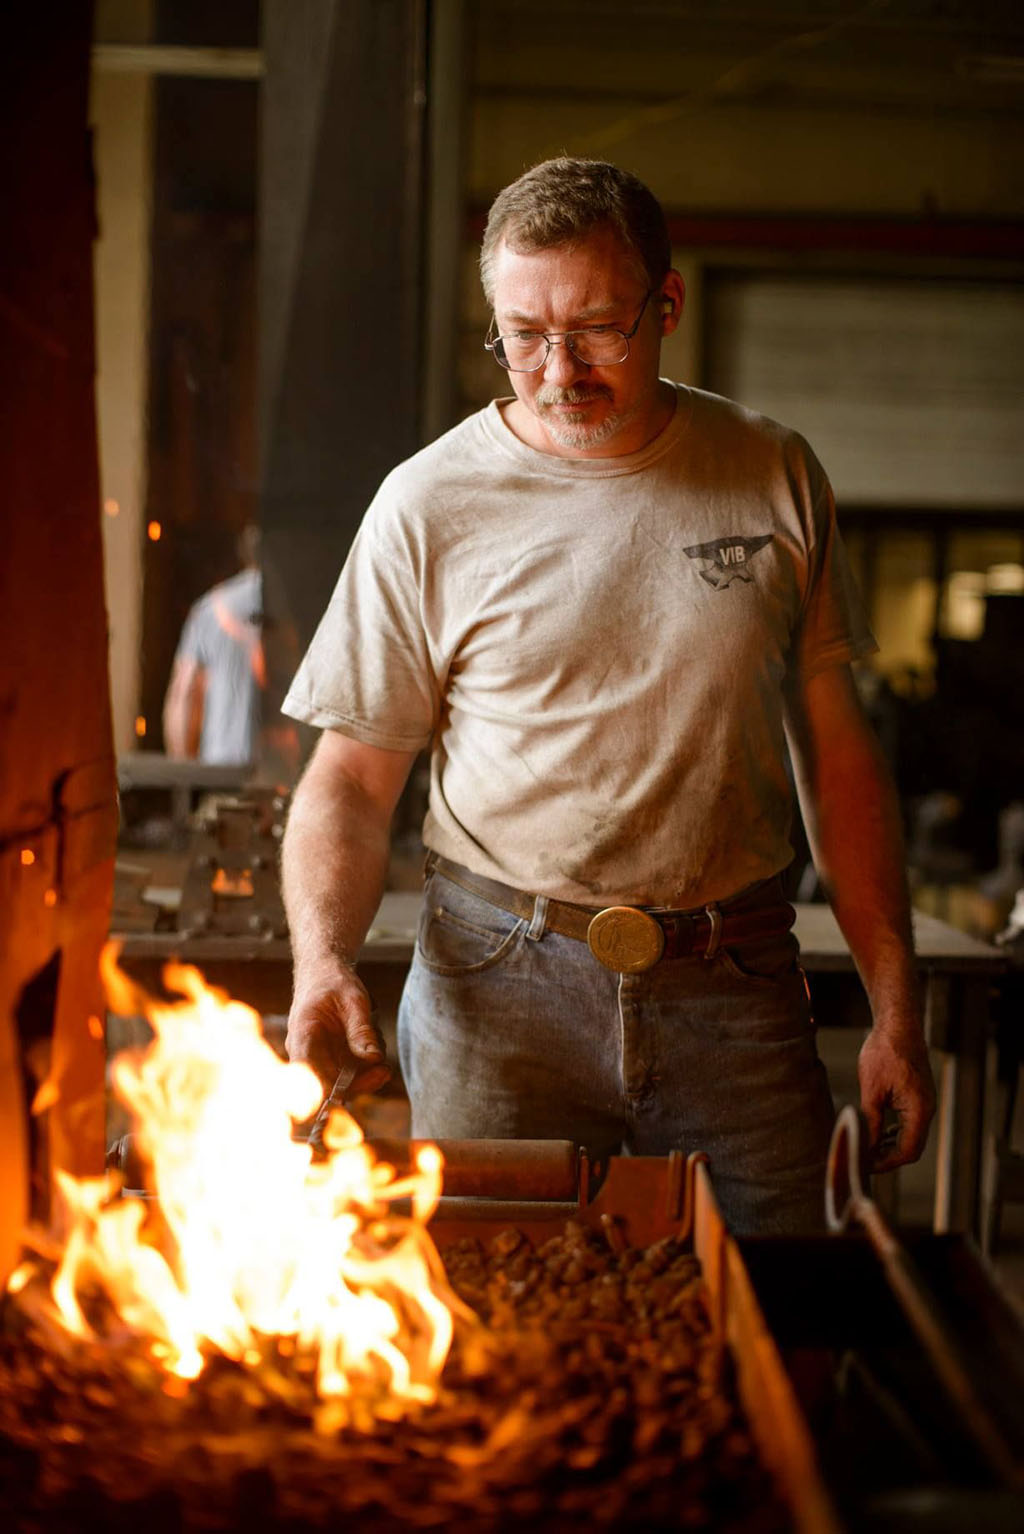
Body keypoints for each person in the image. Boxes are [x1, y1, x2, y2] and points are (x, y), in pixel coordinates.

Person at [280, 158, 935, 1234]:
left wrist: (895, 1012)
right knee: (497, 1323)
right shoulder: (427, 503)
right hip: (497, 988)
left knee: (780, 1314)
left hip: (735, 980)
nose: (557, 370)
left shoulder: (772, 471)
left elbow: (839, 761)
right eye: (523, 334)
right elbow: (349, 779)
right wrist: (320, 963)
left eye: (595, 330)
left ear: (665, 303)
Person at [163, 526, 263, 767]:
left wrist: (184, 773)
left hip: (221, 766)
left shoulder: (210, 609)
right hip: (283, 771)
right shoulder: (303, 613)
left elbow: (185, 693)